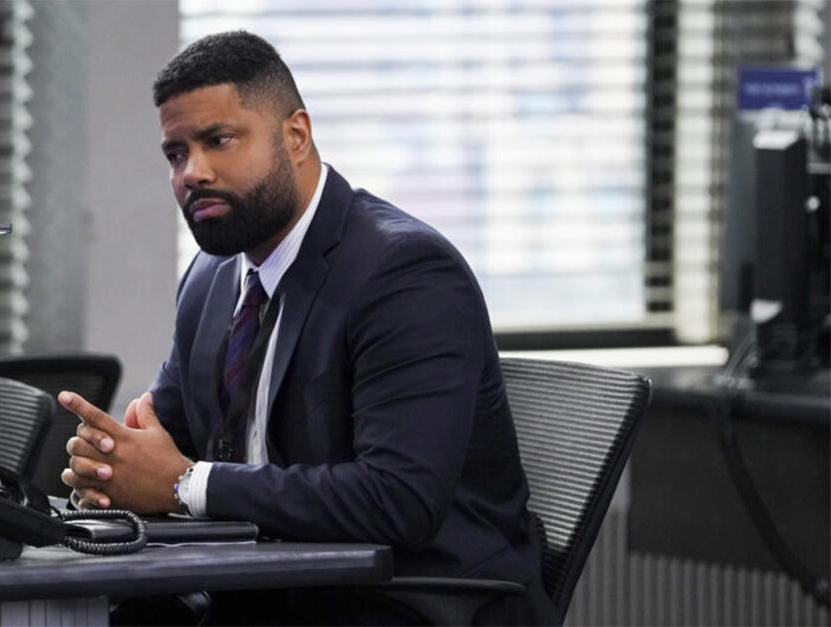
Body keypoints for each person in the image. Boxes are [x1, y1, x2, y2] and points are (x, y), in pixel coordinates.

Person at [58, 30, 556, 625]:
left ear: (296, 135)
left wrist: (185, 484)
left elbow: (398, 500)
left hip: (414, 601)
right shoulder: (213, 276)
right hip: (268, 590)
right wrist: (113, 463)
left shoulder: (405, 273)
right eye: (176, 153)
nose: (193, 172)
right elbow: (165, 440)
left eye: (218, 140)